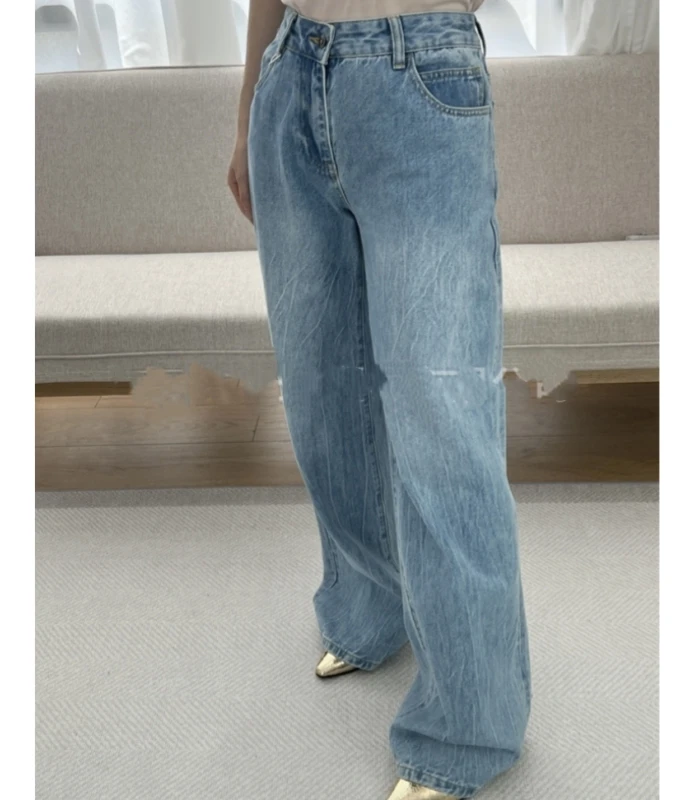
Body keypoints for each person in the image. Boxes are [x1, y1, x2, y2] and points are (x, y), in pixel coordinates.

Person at [227, 2, 532, 797]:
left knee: (442, 419)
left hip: (419, 69)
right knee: (324, 394)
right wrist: (248, 108)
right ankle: (369, 609)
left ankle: (469, 723)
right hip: (291, 68)